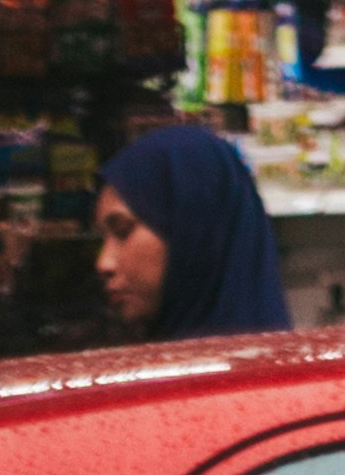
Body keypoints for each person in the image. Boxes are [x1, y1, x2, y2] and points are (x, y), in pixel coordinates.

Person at [91, 115, 294, 338]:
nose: (104, 263)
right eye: (103, 238)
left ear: (195, 233)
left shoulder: (245, 366)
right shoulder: (275, 357)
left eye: (123, 230)